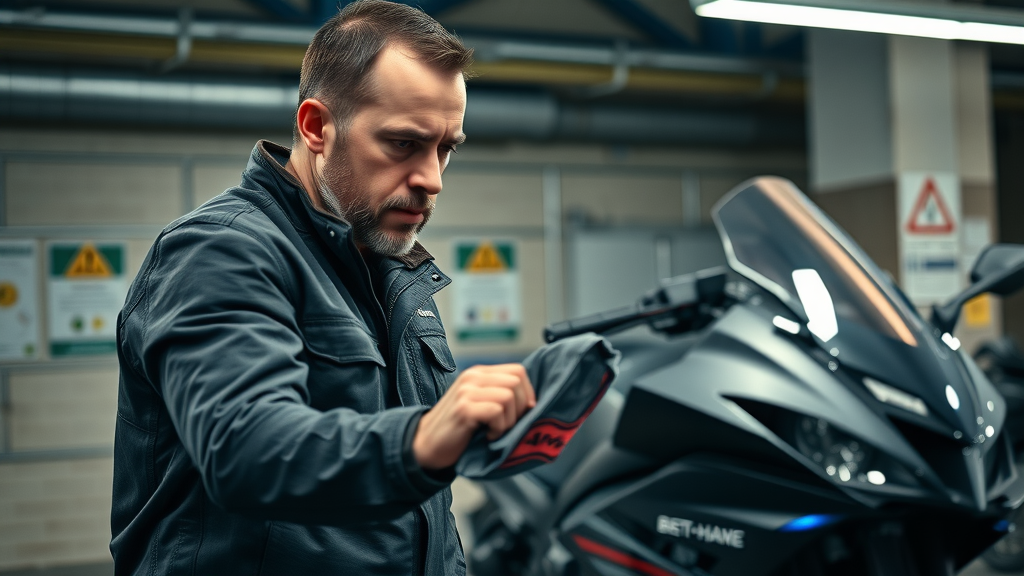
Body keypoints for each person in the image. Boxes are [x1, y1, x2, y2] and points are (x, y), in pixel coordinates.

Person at [110, 1, 536, 574]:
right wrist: (423, 438)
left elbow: (428, 516)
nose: (431, 180)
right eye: (403, 144)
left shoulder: (387, 269)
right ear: (316, 128)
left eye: (446, 149)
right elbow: (247, 450)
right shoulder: (221, 252)